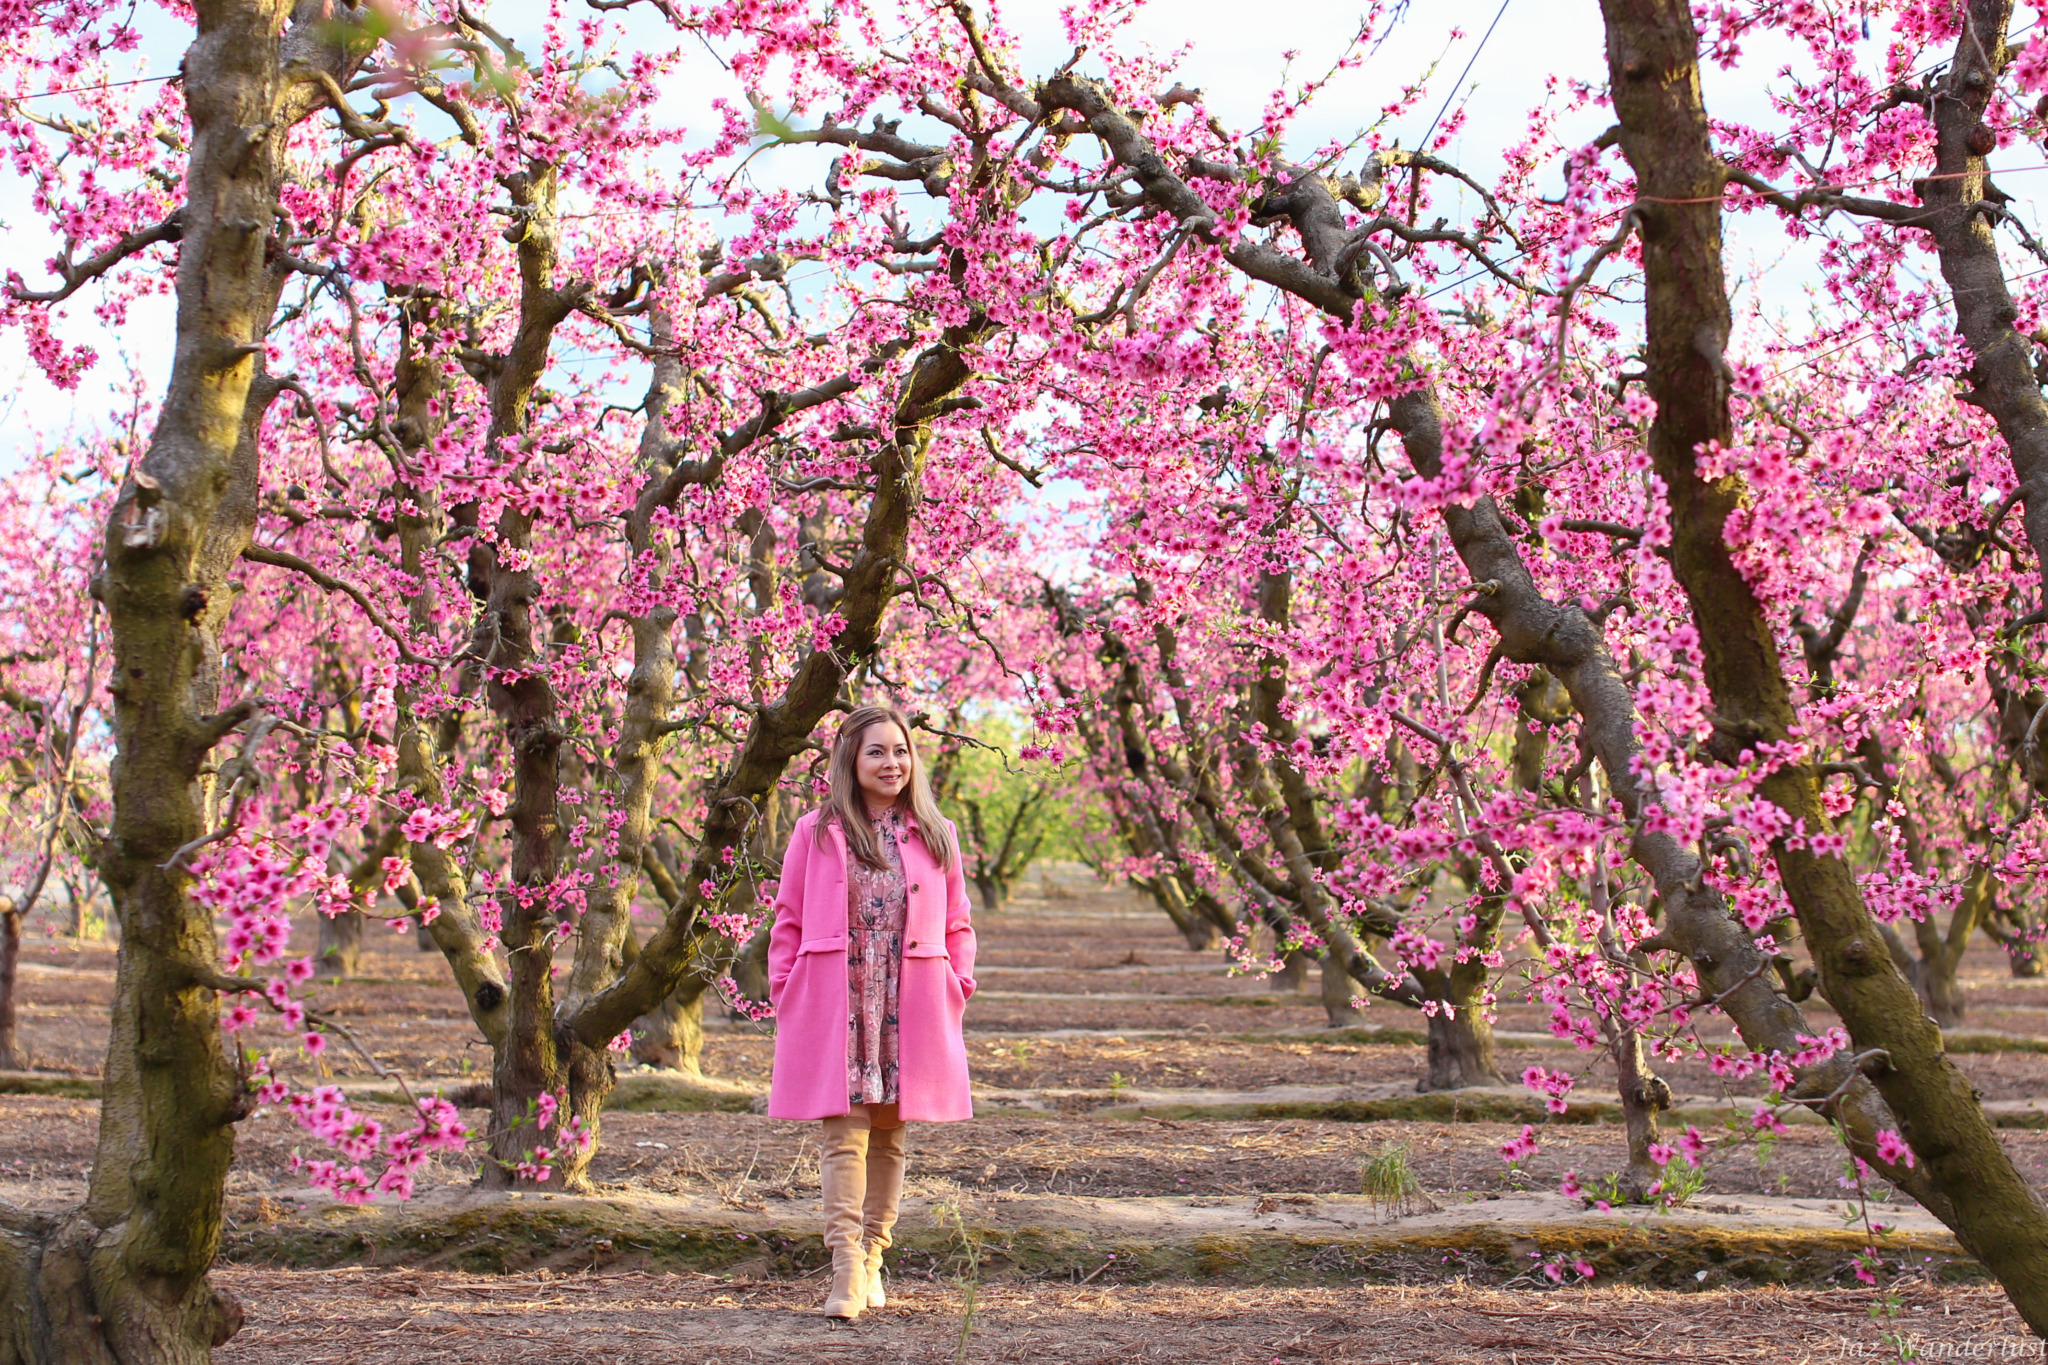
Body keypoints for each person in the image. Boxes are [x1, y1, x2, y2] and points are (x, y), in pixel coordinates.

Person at [766, 704, 977, 1320]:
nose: (893, 763)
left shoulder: (936, 832)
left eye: (901, 751)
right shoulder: (816, 829)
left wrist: (958, 982)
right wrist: (787, 987)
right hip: (841, 994)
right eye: (877, 752)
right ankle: (845, 1270)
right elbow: (789, 916)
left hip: (908, 997)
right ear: (850, 761)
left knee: (889, 1134)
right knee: (843, 1132)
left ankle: (876, 1257)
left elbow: (959, 919)